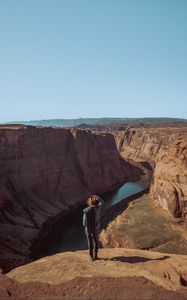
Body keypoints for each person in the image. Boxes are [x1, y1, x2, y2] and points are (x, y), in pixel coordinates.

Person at [83, 195, 104, 261]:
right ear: (97, 203)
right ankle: (96, 256)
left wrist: (87, 227)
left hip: (88, 230)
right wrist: (96, 196)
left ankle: (91, 257)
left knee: (90, 242)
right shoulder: (98, 209)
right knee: (95, 241)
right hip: (95, 228)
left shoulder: (86, 211)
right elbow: (102, 202)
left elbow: (84, 223)